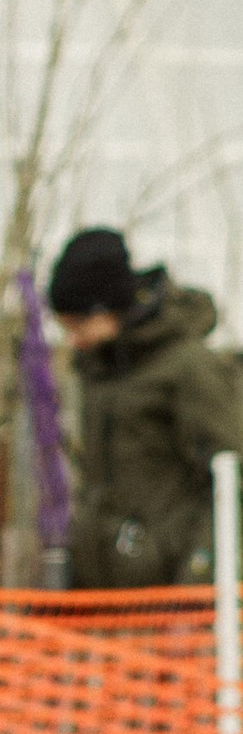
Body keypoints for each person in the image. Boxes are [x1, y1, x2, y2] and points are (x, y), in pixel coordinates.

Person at [45, 226, 241, 589]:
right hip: (105, 590)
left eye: (79, 324)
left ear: (108, 308)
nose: (72, 339)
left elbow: (231, 478)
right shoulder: (97, 373)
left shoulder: (190, 368)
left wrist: (199, 582)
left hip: (172, 592)